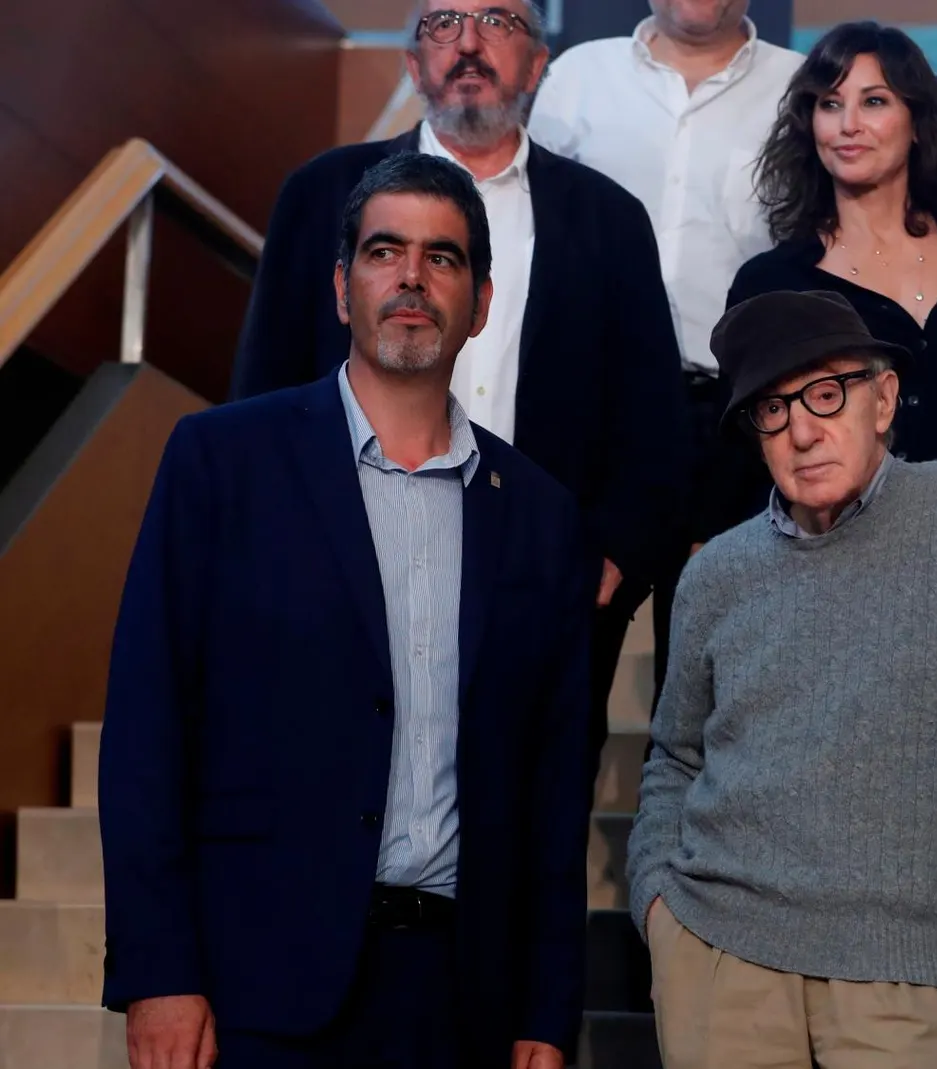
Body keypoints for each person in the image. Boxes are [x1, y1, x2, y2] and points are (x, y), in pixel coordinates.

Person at [100, 154, 595, 1069]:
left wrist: (546, 1010)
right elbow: (145, 727)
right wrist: (157, 968)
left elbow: (553, 787)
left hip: (462, 1000)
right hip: (254, 986)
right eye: (384, 251)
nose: (411, 276)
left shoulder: (540, 515)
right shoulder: (221, 462)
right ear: (341, 288)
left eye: (442, 258)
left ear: (481, 304)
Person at [627, 290, 937, 1069]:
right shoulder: (716, 574)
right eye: (773, 410)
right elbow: (674, 759)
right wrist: (659, 911)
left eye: (825, 393)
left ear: (882, 400)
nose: (803, 430)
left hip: (902, 965)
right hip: (716, 953)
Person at [232, 0, 688, 764]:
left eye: (498, 22)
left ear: (539, 66)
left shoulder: (608, 219)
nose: (469, 44)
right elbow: (261, 389)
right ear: (414, 64)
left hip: (539, 587)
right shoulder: (320, 195)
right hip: (345, 571)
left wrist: (609, 559)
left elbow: (651, 414)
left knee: (528, 829)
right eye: (443, 23)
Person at [529, 0, 804, 669]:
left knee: (716, 682)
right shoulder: (576, 78)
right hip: (594, 417)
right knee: (567, 672)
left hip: (737, 422)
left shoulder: (802, 87)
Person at [731, 21, 937, 502]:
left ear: (917, 122)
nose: (848, 124)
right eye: (829, 105)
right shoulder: (772, 284)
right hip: (833, 556)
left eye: (873, 101)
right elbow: (745, 462)